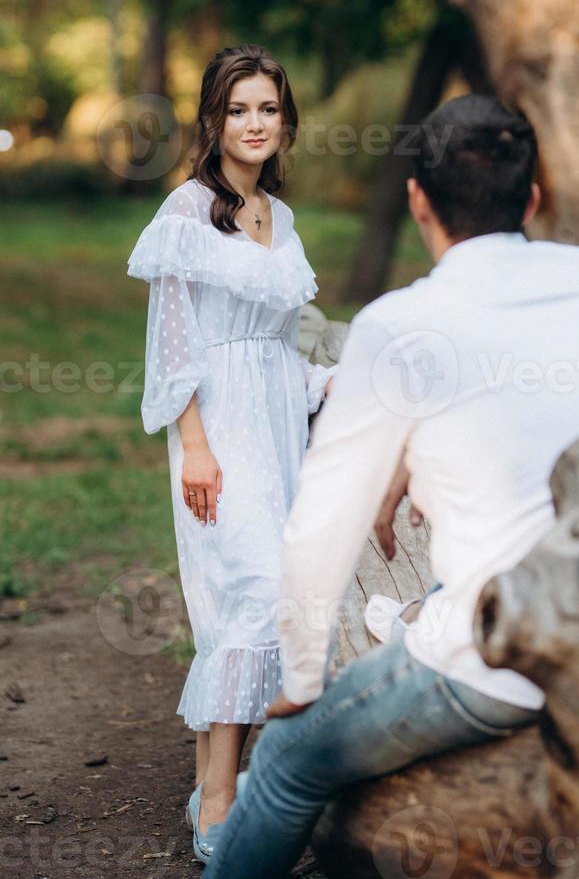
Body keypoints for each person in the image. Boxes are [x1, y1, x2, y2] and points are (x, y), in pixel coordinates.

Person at [203, 93, 579, 879]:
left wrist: (303, 678)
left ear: (417, 200)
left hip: (508, 656)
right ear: (534, 197)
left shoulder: (399, 322)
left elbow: (318, 527)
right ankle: (412, 614)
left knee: (282, 762)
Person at [126, 44, 337, 864]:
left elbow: (277, 345)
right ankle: (218, 802)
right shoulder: (185, 212)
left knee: (272, 603)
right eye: (239, 109)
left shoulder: (278, 220)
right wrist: (195, 448)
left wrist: (328, 386)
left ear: (284, 120)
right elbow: (170, 347)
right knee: (245, 600)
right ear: (212, 119)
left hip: (277, 423)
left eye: (268, 109)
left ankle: (216, 782)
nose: (255, 124)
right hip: (216, 431)